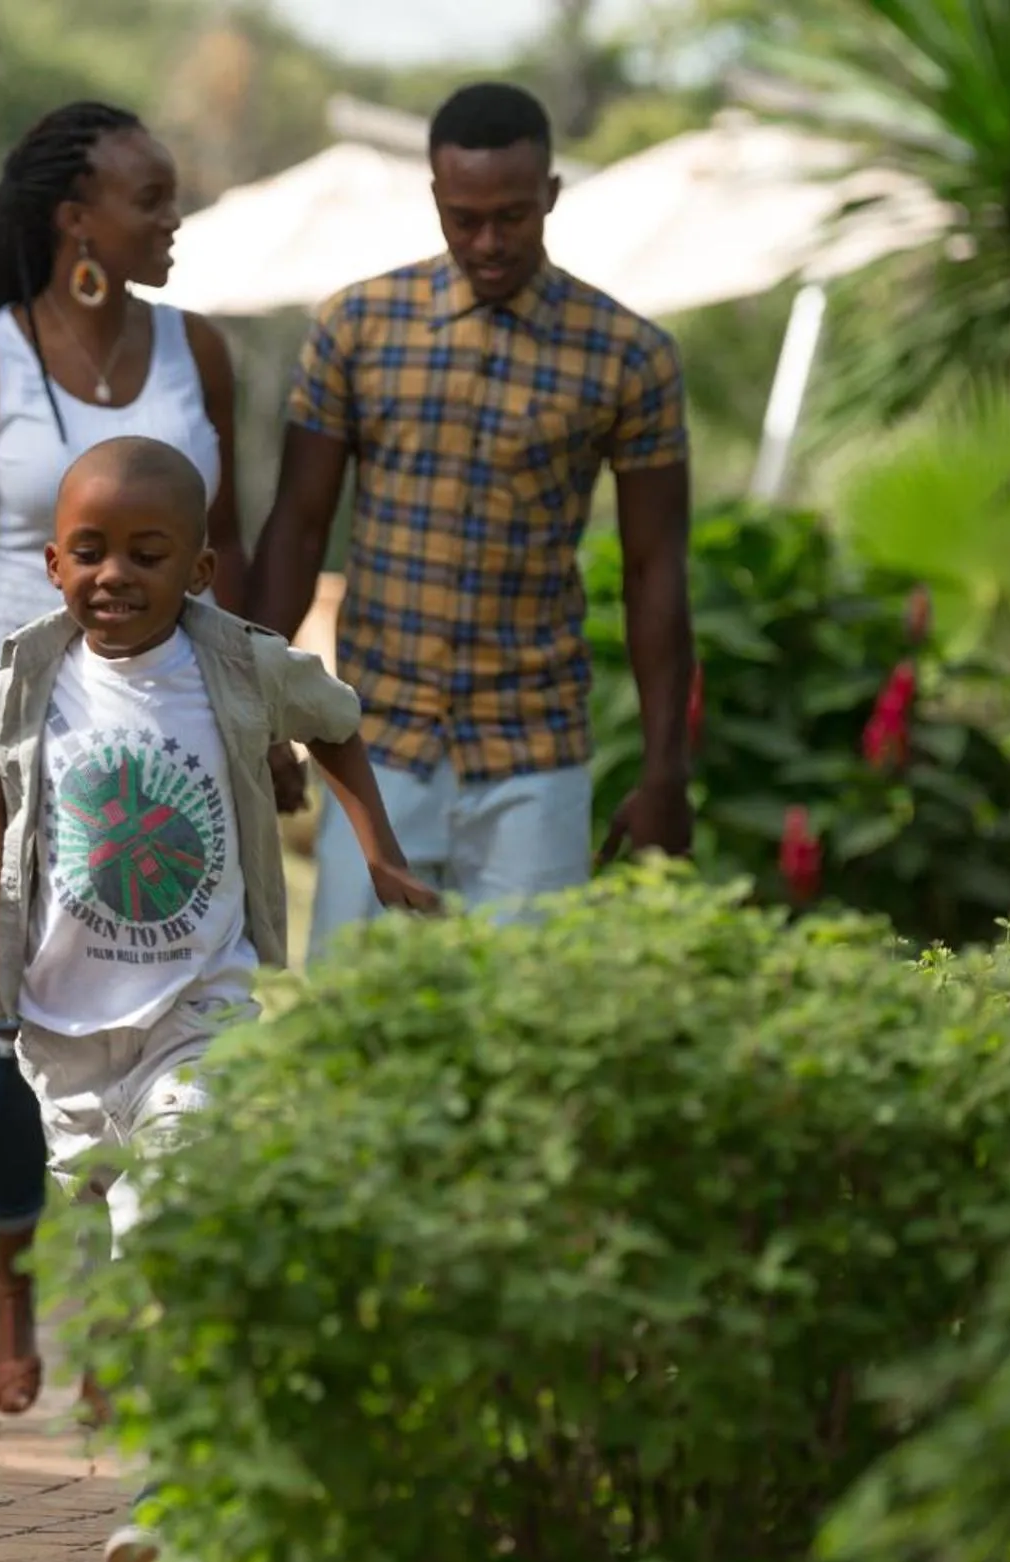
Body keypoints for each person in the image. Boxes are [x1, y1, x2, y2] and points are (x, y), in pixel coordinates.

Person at [0, 435, 438, 1562]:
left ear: (198, 568)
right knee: (121, 1230)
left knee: (171, 1228)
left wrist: (378, 852)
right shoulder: (22, 674)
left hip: (201, 1011)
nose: (114, 575)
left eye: (147, 554)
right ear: (51, 562)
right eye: (89, 551)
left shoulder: (241, 664)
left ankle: (182, 1487)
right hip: (64, 1030)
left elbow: (336, 724)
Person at [0, 99, 246, 1415]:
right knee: (20, 1001)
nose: (172, 221)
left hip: (172, 708)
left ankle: (118, 1288)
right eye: (151, 199)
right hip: (10, 703)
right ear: (75, 220)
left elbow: (242, 547)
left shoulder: (199, 354)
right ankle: (15, 1272)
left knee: (153, 991)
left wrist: (260, 722)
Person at [245, 81, 695, 955]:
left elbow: (656, 569)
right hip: (376, 740)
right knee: (356, 1024)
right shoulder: (358, 326)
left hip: (534, 748)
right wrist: (258, 716)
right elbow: (298, 526)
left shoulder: (630, 353)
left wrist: (666, 764)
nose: (488, 242)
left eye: (514, 217)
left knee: (529, 1031)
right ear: (435, 200)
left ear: (552, 198)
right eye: (465, 218)